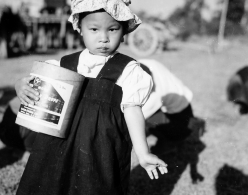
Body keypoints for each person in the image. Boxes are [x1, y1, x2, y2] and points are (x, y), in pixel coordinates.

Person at [14, 0, 168, 194]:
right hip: (57, 147)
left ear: (124, 33)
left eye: (112, 29)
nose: (103, 38)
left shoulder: (129, 71)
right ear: (80, 28)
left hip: (100, 151)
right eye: (94, 29)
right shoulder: (62, 64)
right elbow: (33, 86)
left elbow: (133, 110)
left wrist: (143, 152)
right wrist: (20, 85)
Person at [139, 59, 204, 142]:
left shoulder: (155, 95)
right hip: (182, 98)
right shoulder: (147, 63)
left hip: (176, 112)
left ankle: (190, 126)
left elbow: (133, 118)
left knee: (176, 134)